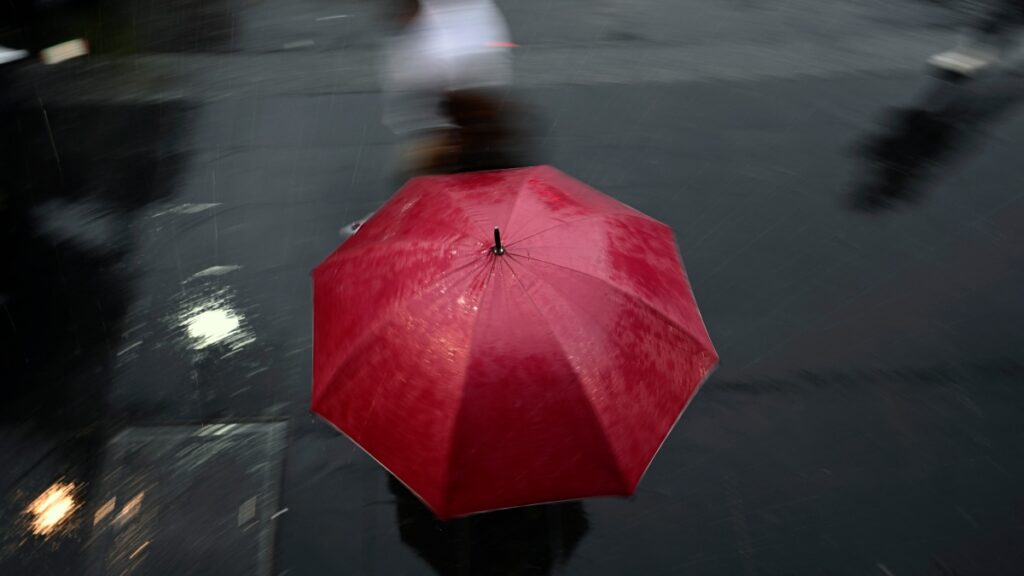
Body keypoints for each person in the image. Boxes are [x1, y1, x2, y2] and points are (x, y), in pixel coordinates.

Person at [340, 0, 516, 237]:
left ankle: (404, 225)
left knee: (416, 173)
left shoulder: (440, 49)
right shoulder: (456, 21)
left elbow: (445, 92)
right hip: (471, 124)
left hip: (462, 127)